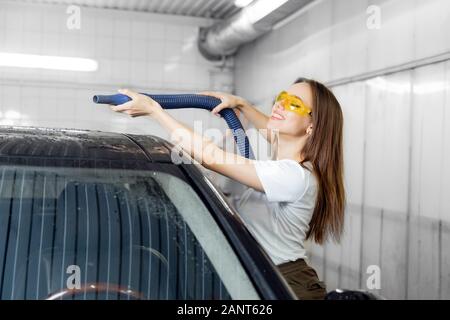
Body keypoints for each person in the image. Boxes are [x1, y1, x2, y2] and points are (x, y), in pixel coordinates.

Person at [109, 77, 345, 300]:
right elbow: (269, 125)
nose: (280, 105)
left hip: (288, 281)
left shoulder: (293, 176)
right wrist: (240, 103)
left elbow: (210, 156)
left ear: (312, 127)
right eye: (282, 97)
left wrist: (154, 111)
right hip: (267, 273)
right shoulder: (287, 161)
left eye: (294, 104)